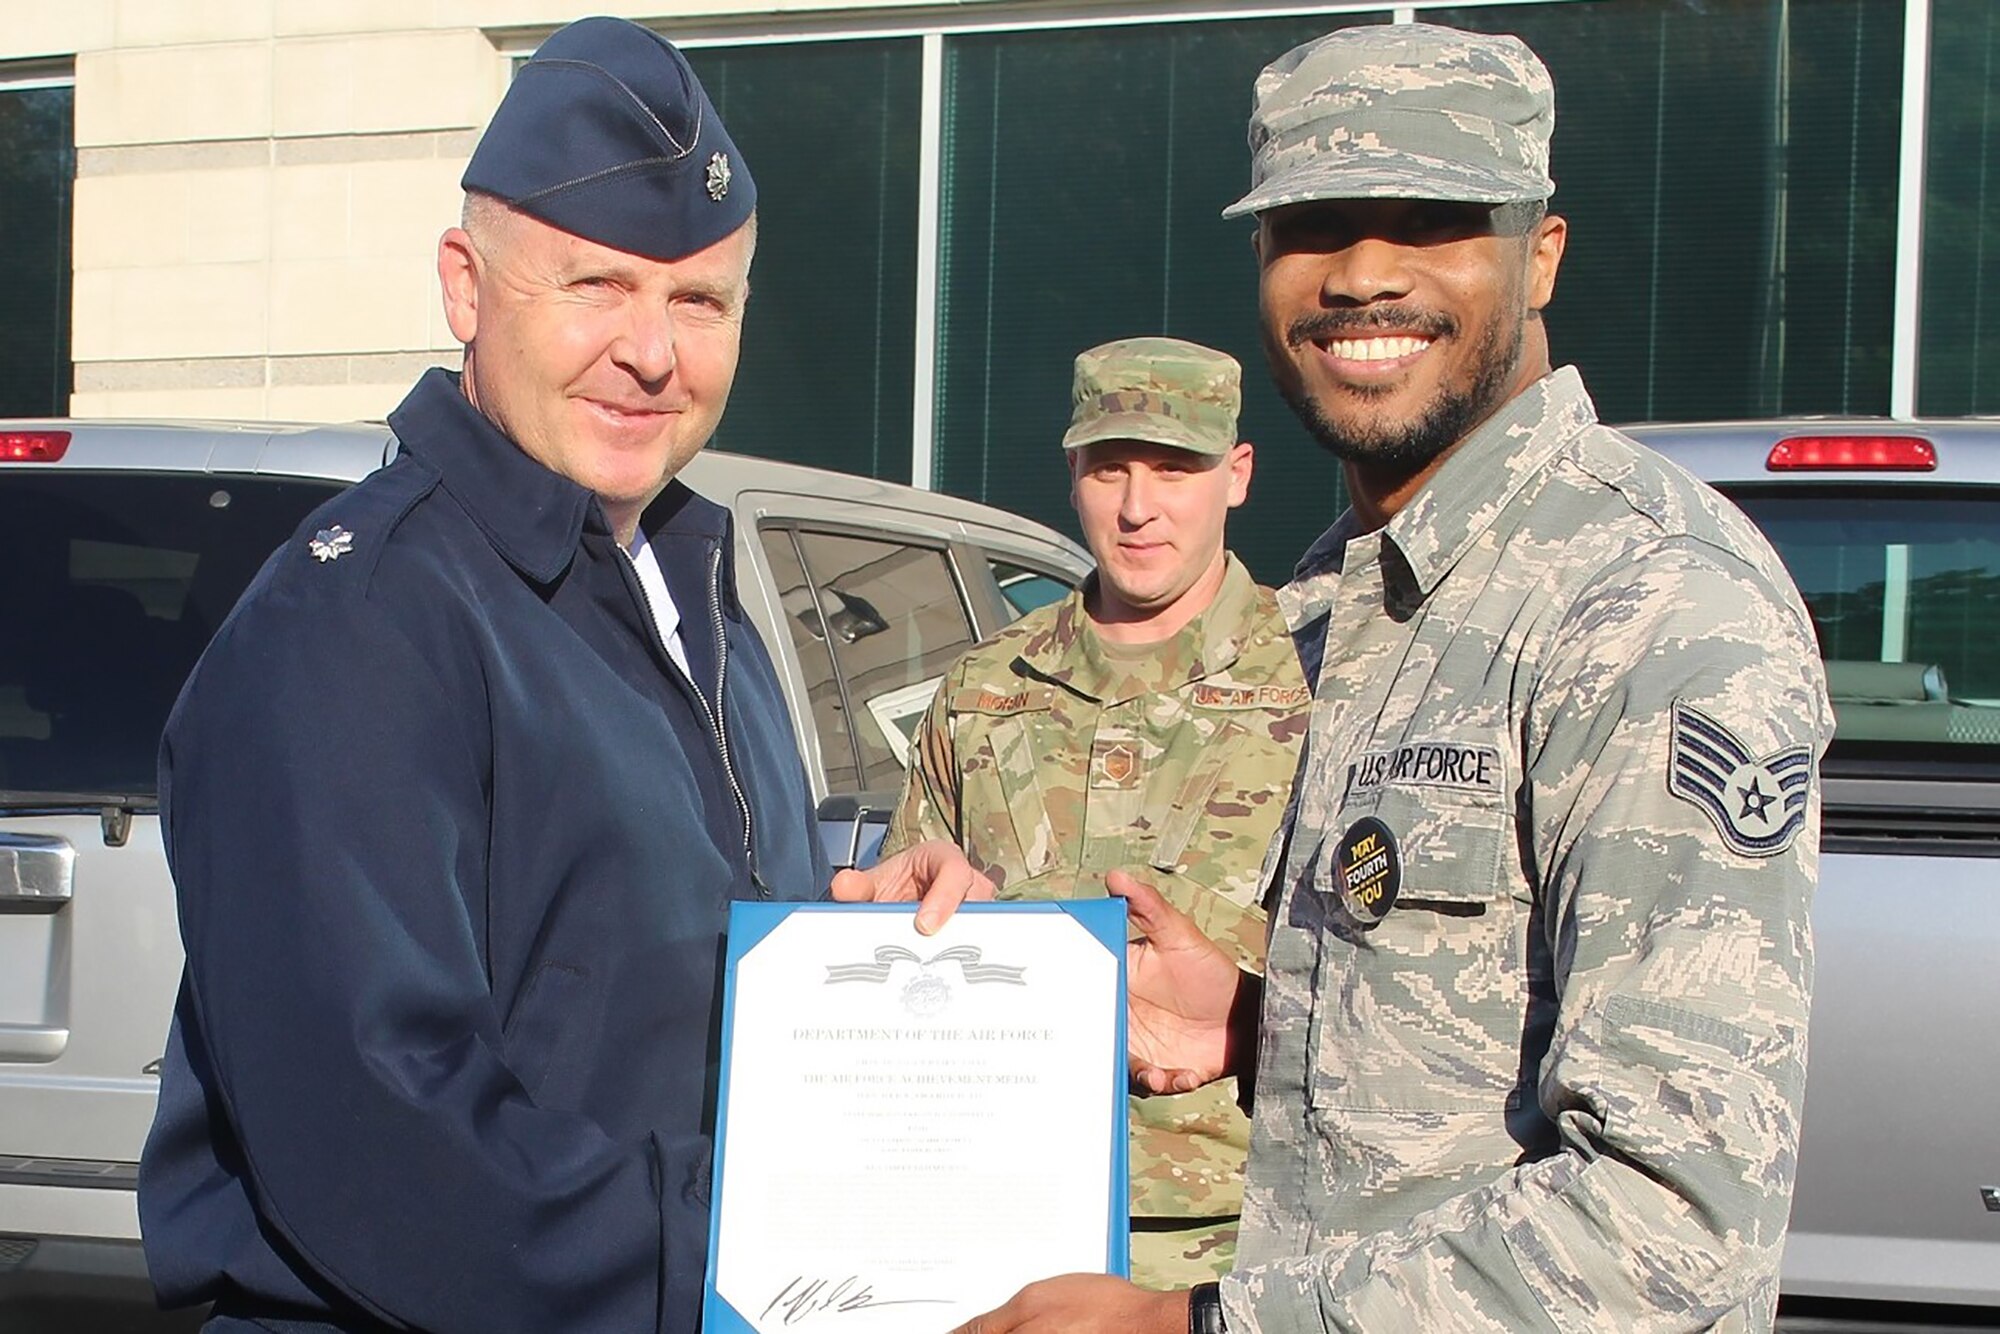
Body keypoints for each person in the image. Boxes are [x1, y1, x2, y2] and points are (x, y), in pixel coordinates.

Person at [947, 22, 1832, 1333]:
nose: (1361, 274)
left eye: (1431, 220)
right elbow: (1455, 1064)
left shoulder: (1649, 603)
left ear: (1540, 254)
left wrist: (1197, 1325)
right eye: (1311, 225)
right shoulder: (1341, 597)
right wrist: (1250, 1019)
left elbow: (1676, 1225)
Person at [137, 18, 983, 1333]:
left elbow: (629, 969)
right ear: (465, 287)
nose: (653, 352)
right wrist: (787, 1234)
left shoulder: (690, 585)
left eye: (698, 300)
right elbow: (384, 1136)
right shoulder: (362, 622)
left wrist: (868, 942)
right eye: (596, 285)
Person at [881, 336, 1309, 1287]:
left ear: (1236, 475)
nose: (1137, 505)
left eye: (1174, 467)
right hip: (997, 1216)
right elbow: (905, 933)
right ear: (1073, 472)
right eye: (1110, 467)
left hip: (1238, 1239)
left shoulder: (1321, 681)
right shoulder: (987, 688)